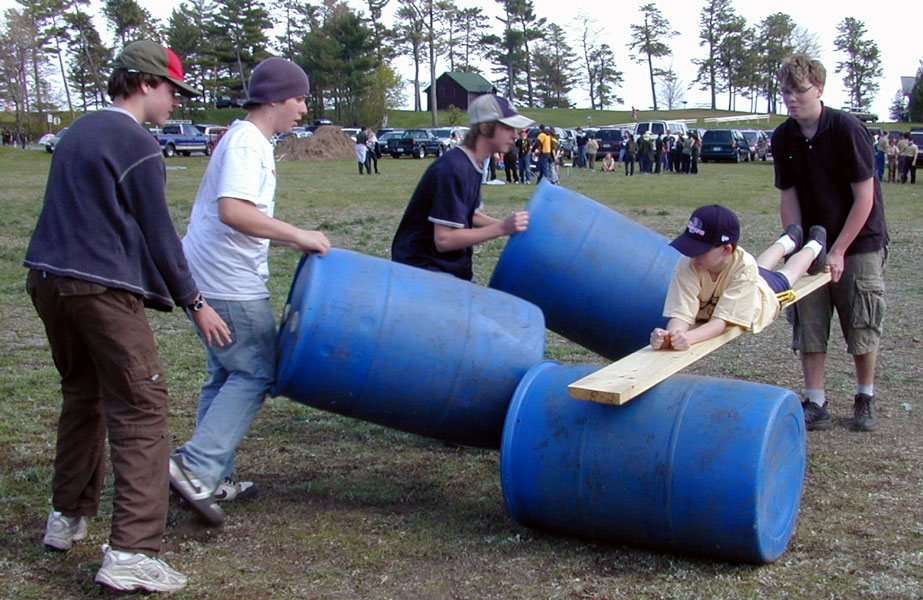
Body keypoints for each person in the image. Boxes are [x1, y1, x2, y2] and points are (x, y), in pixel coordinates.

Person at [24, 39, 230, 593]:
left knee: (83, 394)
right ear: (143, 84)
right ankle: (132, 553)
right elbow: (158, 233)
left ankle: (65, 518)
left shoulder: (80, 130)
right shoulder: (135, 141)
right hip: (97, 290)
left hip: (47, 278)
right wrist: (195, 301)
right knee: (141, 406)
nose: (175, 103)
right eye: (171, 91)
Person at [171, 56, 331, 525]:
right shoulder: (247, 143)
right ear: (277, 98)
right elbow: (234, 212)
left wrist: (287, 237)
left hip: (209, 275)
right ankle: (194, 466)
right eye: (300, 98)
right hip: (226, 282)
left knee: (224, 373)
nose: (303, 108)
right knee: (256, 371)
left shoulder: (249, 140)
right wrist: (298, 234)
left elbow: (242, 216)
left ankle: (212, 476)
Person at [771, 54, 888, 432]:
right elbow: (788, 195)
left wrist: (839, 250)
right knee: (810, 322)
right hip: (812, 245)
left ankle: (865, 396)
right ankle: (816, 401)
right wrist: (795, 247)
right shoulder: (783, 136)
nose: (792, 99)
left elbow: (864, 198)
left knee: (862, 321)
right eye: (786, 92)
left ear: (819, 89)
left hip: (859, 242)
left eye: (800, 91)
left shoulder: (846, 129)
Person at [391, 94, 533, 281]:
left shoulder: (472, 163)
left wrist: (514, 228)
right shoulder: (453, 168)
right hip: (422, 271)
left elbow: (469, 215)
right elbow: (444, 240)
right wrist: (501, 228)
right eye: (507, 127)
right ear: (485, 127)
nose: (514, 135)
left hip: (445, 268)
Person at [651, 204, 826, 351]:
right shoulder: (690, 262)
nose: (692, 255)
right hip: (746, 277)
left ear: (726, 249)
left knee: (788, 275)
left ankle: (815, 245)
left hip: (762, 295)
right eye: (690, 247)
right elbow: (681, 314)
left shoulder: (744, 267)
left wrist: (689, 337)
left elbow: (720, 323)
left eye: (700, 250)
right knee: (760, 267)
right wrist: (671, 335)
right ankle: (789, 240)